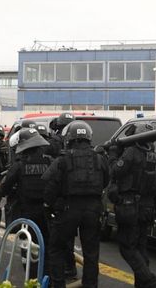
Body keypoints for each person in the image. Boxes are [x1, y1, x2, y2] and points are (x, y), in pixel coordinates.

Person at [43, 121, 109, 288]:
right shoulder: (100, 159)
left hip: (68, 208)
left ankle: (58, 284)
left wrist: (49, 206)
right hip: (93, 210)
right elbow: (106, 180)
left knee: (57, 248)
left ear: (70, 138)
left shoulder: (62, 160)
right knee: (91, 254)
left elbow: (49, 184)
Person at [108, 123, 156, 288]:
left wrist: (113, 154)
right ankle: (143, 285)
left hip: (130, 206)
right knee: (140, 248)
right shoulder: (155, 156)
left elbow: (114, 171)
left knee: (127, 247)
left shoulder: (132, 152)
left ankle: (150, 282)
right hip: (147, 207)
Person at [1, 127, 53, 274]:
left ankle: (31, 278)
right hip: (47, 213)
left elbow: (4, 188)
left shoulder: (19, 165)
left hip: (26, 214)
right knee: (47, 246)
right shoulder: (50, 162)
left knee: (28, 247)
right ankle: (47, 278)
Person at [46, 112, 77, 280]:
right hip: (75, 196)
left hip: (60, 193)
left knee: (58, 239)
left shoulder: (55, 142)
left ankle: (62, 271)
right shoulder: (76, 142)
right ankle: (70, 267)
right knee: (70, 236)